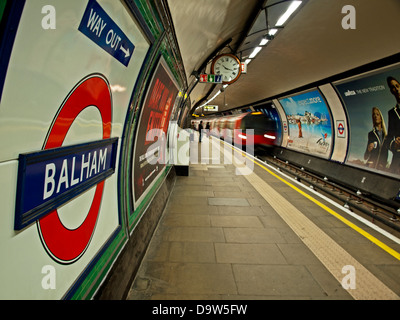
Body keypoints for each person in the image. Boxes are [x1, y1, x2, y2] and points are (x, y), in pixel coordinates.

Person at [386, 76, 400, 175]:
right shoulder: (392, 113)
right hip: (397, 160)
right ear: (391, 91)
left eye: (397, 86)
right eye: (393, 87)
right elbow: (388, 139)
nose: (396, 89)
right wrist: (394, 143)